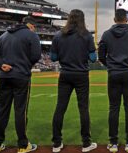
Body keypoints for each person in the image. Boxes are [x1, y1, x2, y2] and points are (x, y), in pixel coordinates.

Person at [0, 16, 41, 153]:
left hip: (4, 76)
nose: (34, 29)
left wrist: (1, 65)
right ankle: (23, 145)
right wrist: (25, 65)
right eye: (34, 27)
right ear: (31, 25)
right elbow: (36, 55)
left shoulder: (4, 35)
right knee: (20, 110)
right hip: (21, 76)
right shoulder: (31, 35)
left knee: (2, 110)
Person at [50, 9, 97, 153]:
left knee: (60, 108)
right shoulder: (87, 35)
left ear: (69, 19)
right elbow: (93, 58)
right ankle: (86, 143)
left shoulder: (58, 35)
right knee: (83, 109)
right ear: (82, 19)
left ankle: (57, 143)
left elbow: (53, 58)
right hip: (81, 75)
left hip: (65, 74)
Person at [98, 9, 128, 153]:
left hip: (114, 74)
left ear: (114, 19)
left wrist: (111, 66)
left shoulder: (106, 34)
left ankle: (113, 142)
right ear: (126, 19)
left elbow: (101, 56)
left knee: (114, 108)